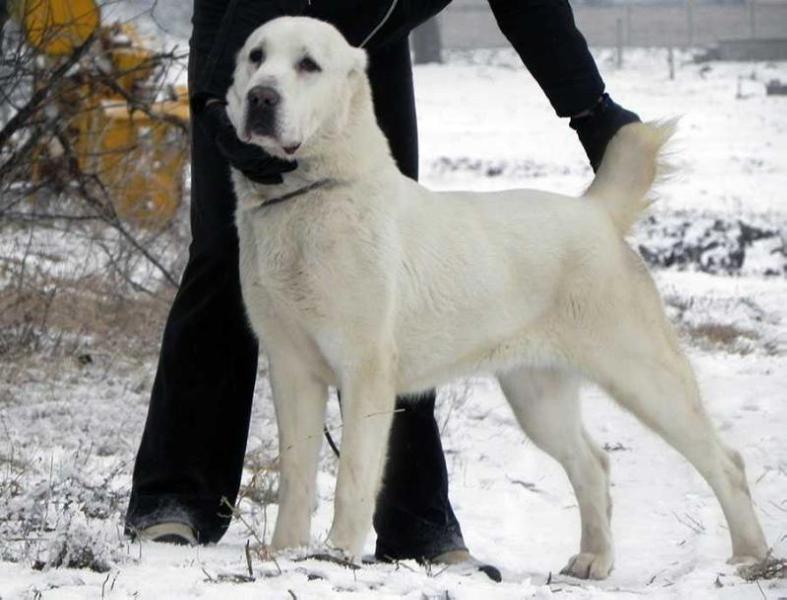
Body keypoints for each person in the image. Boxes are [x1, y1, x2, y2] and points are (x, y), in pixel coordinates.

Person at [125, 0, 639, 580]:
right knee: (225, 252)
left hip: (368, 35)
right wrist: (223, 102)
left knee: (391, 268)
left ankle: (416, 522)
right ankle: (177, 496)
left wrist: (590, 109)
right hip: (249, 31)